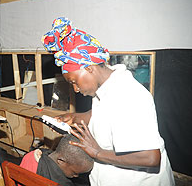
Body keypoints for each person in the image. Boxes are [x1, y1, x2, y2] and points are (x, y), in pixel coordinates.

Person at [41, 17, 175, 186]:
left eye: (74, 81)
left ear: (89, 68)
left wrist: (98, 153)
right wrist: (77, 117)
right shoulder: (104, 90)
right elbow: (105, 116)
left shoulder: (129, 96)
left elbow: (150, 157)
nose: (75, 89)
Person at [19, 134, 94, 186]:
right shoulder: (60, 183)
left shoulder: (31, 155)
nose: (76, 176)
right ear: (61, 161)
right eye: (74, 173)